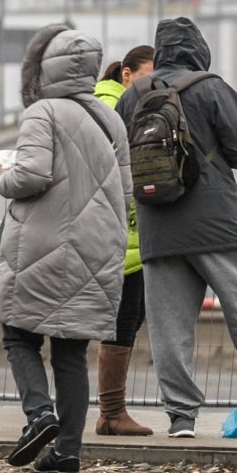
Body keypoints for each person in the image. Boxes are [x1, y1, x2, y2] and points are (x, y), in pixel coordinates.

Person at [116, 17, 237, 439]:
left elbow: (118, 156)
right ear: (198, 50)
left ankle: (181, 416)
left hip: (158, 228)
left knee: (170, 327)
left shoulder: (132, 98)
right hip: (215, 224)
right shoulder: (210, 87)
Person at [0, 25, 129, 473]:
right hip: (96, 251)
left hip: (43, 246)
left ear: (42, 68)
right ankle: (68, 450)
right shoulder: (111, 119)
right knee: (71, 351)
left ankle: (39, 416)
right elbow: (124, 190)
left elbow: (30, 176)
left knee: (18, 334)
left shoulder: (42, 112)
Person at [93, 44, 155, 436]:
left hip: (134, 236)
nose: (152, 82)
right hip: (118, 237)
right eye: (146, 74)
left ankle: (111, 412)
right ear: (126, 75)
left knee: (130, 321)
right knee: (120, 322)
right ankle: (111, 413)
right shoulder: (110, 109)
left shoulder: (134, 105)